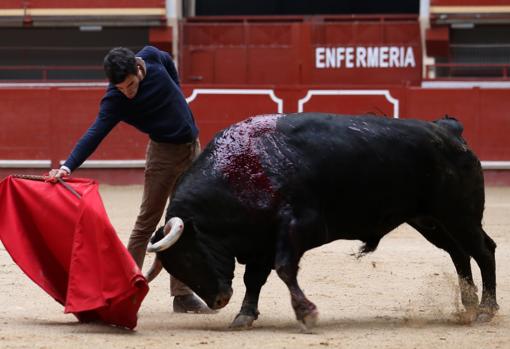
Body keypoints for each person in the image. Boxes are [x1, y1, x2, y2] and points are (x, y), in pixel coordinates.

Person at [48, 46, 212, 313]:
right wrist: (67, 167)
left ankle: (182, 295)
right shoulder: (115, 100)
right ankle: (125, 291)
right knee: (147, 222)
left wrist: (177, 89)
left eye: (131, 85)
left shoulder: (151, 57)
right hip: (163, 155)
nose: (128, 92)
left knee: (185, 221)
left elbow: (168, 61)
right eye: (121, 88)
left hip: (193, 148)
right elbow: (95, 133)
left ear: (138, 68)